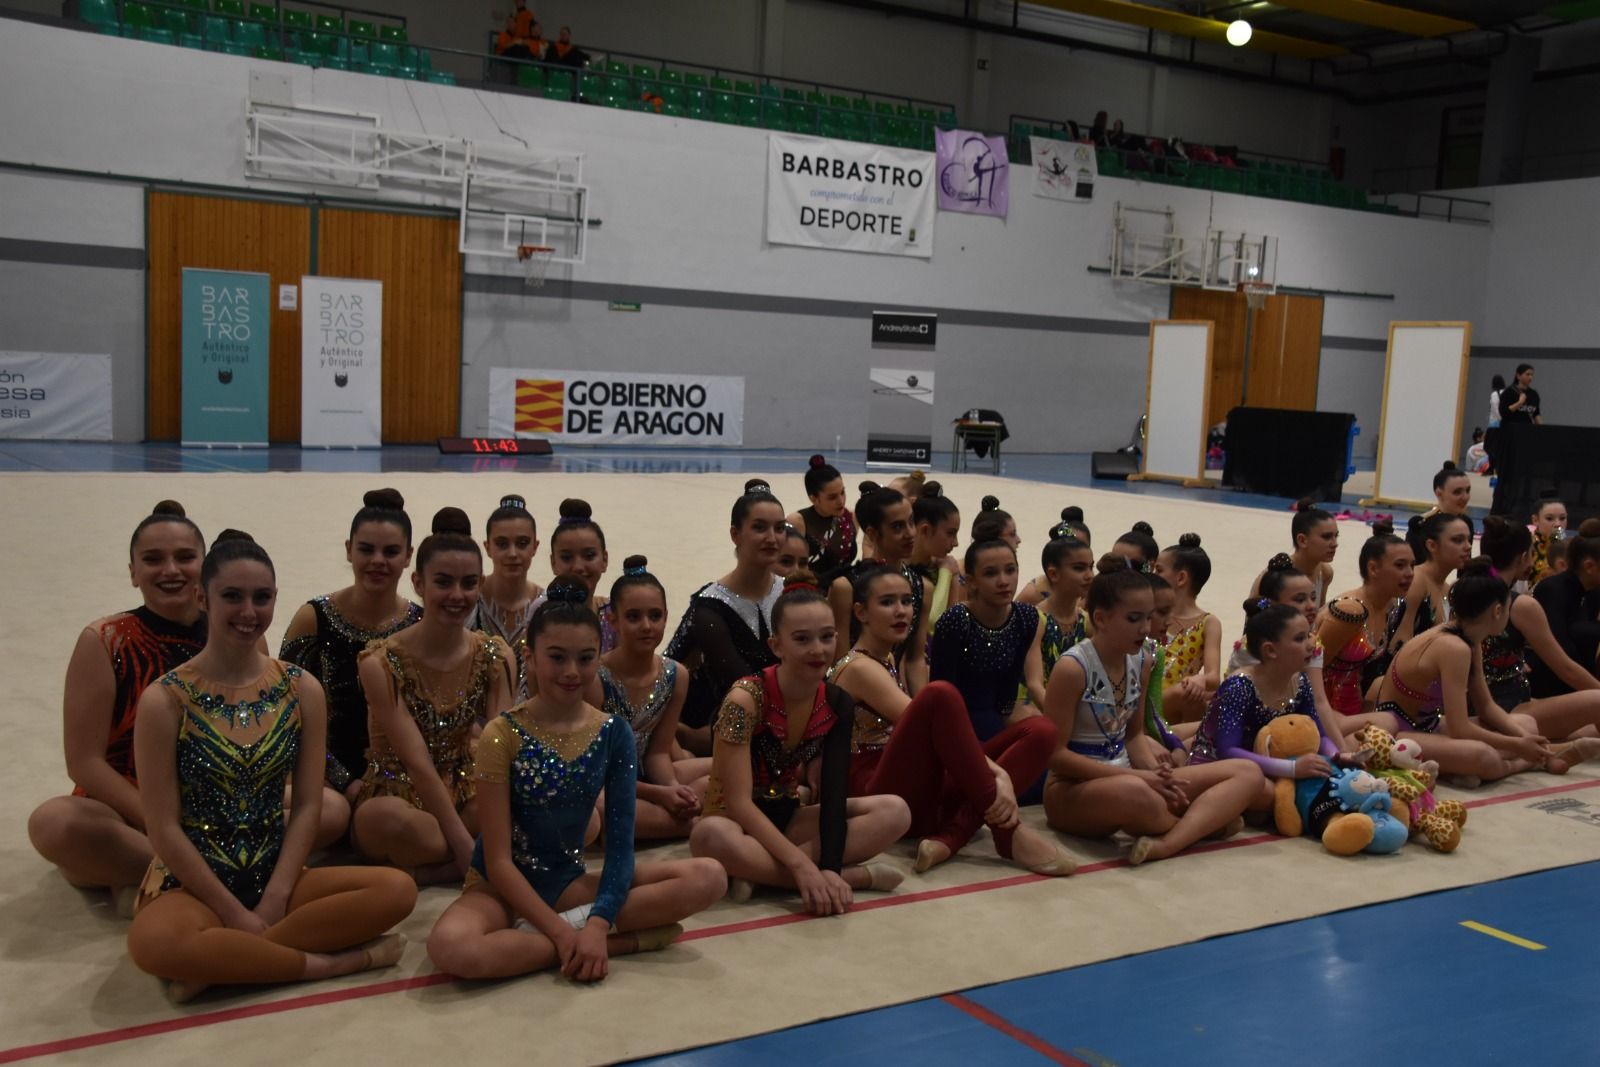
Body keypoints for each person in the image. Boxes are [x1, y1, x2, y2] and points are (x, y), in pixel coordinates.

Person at [126, 532, 416, 1001]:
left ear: (276, 599)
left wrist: (278, 894)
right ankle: (331, 964)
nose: (248, 612)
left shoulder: (301, 689)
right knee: (153, 943)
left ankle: (228, 962)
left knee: (397, 890)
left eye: (261, 598)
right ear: (202, 597)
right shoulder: (165, 700)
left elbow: (305, 806)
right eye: (232, 597)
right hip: (191, 884)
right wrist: (233, 911)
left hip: (274, 872)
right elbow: (162, 828)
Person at [425, 583, 725, 982]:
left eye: (585, 658)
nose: (571, 672)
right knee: (452, 948)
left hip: (567, 881)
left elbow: (620, 850)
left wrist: (598, 923)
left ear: (598, 659)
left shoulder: (612, 731)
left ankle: (554, 941)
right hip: (500, 889)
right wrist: (563, 934)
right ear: (530, 658)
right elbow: (497, 861)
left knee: (709, 876)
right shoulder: (502, 734)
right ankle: (621, 943)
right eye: (557, 658)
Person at [828, 567, 1076, 875]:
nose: (902, 611)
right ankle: (1007, 832)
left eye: (907, 601)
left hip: (916, 786)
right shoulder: (859, 668)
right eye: (888, 602)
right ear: (861, 612)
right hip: (878, 796)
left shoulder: (888, 659)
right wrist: (998, 773)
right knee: (940, 694)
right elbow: (918, 721)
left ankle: (952, 836)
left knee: (1041, 730)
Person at [689, 574, 911, 912]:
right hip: (734, 822)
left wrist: (830, 867)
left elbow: (835, 797)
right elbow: (737, 803)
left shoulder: (836, 701)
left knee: (896, 812)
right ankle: (855, 877)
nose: (817, 650)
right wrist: (804, 867)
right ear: (776, 645)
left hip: (788, 815)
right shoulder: (745, 699)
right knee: (708, 837)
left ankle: (758, 872)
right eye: (802, 639)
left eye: (826, 637)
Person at [29, 502, 209, 909]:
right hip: (127, 812)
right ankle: (199, 872)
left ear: (205, 565)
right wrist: (163, 825)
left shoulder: (231, 632)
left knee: (330, 809)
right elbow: (85, 762)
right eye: (152, 559)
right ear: (132, 572)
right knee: (54, 824)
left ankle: (154, 876)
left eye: (185, 557)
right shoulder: (105, 640)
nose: (171, 570)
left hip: (210, 806)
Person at [1042, 557, 1262, 864]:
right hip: (1071, 790)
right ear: (1101, 618)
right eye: (1134, 619)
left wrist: (1157, 775)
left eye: (1149, 618)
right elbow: (1055, 756)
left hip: (1129, 777)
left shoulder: (1143, 660)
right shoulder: (1072, 668)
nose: (1146, 628)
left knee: (1248, 773)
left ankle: (1168, 842)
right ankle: (1200, 825)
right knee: (1135, 792)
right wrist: (1145, 781)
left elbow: (1134, 737)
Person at [352, 509, 516, 884]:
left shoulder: (495, 654)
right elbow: (417, 763)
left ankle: (426, 871)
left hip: (464, 785)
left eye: (468, 583)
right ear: (418, 583)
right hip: (397, 790)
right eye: (443, 582)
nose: (457, 596)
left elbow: (498, 748)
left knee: (537, 808)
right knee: (392, 822)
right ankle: (470, 854)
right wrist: (463, 845)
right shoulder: (381, 661)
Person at [1342, 560, 1600, 781]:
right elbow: (1461, 728)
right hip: (1401, 732)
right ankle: (1533, 761)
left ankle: (1538, 753)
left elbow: (1487, 707)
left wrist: (1526, 738)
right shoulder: (1454, 647)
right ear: (1498, 611)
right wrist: (1518, 746)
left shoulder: (1469, 638)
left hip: (1430, 726)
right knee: (1482, 756)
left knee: (1527, 724)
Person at [280, 489, 420, 847]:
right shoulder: (313, 618)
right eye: (366, 549)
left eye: (390, 552)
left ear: (408, 556)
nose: (378, 560)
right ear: (348, 549)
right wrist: (342, 780)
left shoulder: (419, 624)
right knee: (334, 816)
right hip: (320, 771)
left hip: (398, 775)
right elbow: (286, 716)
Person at [667, 481, 786, 751]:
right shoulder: (710, 605)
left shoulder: (792, 593)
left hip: (794, 717)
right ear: (735, 534)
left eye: (779, 528)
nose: (772, 537)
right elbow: (739, 682)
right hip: (733, 730)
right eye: (759, 528)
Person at [596, 559, 709, 840]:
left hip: (648, 775)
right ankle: (690, 825)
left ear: (666, 616)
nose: (646, 626)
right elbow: (593, 769)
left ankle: (673, 821)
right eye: (633, 617)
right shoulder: (595, 677)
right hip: (601, 784)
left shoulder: (676, 674)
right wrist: (661, 795)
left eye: (655, 616)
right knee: (598, 810)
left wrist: (673, 789)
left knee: (730, 772)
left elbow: (657, 752)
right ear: (613, 620)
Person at [1193, 604, 1344, 793]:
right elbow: (1228, 750)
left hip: (1270, 763)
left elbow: (1319, 734)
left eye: (1308, 635)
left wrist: (1336, 757)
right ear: (1270, 650)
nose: (1311, 644)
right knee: (1269, 792)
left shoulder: (1300, 682)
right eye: (1300, 639)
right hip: (1220, 767)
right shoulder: (1239, 687)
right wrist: (1292, 769)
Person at [1478, 516, 1600, 713]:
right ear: (1523, 556)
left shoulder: (1464, 589)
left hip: (1484, 700)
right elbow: (1565, 667)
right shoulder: (1521, 604)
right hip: (1507, 704)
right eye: (1533, 554)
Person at [1230, 555, 1349, 750]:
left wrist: (1343, 753)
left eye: (1312, 597)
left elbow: (1320, 702)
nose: (1311, 605)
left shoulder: (1311, 643)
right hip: (1251, 732)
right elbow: (1243, 720)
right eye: (1300, 600)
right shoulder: (1255, 646)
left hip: (1290, 720)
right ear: (1273, 605)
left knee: (1360, 732)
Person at [827, 483, 929, 689]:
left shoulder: (922, 586)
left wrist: (922, 711)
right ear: (873, 534)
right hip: (853, 692)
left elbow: (914, 660)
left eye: (911, 522)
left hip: (896, 690)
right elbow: (839, 663)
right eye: (898, 527)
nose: (910, 533)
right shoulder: (846, 587)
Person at [1316, 523, 1414, 717]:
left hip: (1353, 705)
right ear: (1373, 568)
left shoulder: (1393, 606)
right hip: (1324, 709)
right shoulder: (1349, 611)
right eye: (1400, 565)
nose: (1410, 573)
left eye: (1412, 565)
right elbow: (1308, 672)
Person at [472, 494, 544, 699]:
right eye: (502, 544)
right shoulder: (469, 600)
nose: (512, 553)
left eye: (522, 543)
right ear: (487, 547)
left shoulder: (545, 605)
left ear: (535, 547)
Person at [529, 499, 614, 654]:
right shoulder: (541, 611)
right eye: (567, 558)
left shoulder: (613, 613)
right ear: (553, 562)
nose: (578, 567)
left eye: (589, 556)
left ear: (604, 560)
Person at [1528, 519, 1600, 698]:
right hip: (1547, 693)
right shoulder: (1552, 590)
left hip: (1582, 692)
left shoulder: (1592, 592)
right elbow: (1562, 663)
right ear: (1589, 566)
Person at [1154, 534, 1221, 723]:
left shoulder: (1209, 623)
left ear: (1181, 578)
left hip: (1176, 700)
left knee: (1194, 696)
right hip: (1143, 699)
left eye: (1159, 570)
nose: (1153, 576)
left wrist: (1200, 680)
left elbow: (1213, 677)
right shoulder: (1149, 611)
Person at [1392, 512, 1473, 647]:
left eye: (1468, 540)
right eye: (1458, 540)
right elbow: (1398, 644)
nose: (1468, 546)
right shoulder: (1417, 581)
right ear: (1432, 545)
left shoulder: (1447, 589)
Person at [1032, 535, 1094, 694]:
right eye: (1079, 568)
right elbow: (1034, 685)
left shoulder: (1085, 621)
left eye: (1090, 567)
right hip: (1038, 707)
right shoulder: (1036, 620)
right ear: (1053, 574)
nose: (1089, 575)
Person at [786, 454, 856, 589]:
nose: (841, 501)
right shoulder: (798, 521)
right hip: (811, 592)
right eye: (832, 497)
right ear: (813, 498)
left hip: (848, 589)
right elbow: (787, 569)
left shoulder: (851, 517)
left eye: (843, 492)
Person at [1250, 500, 1337, 607]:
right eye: (1327, 537)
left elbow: (1318, 617)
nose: (1335, 544)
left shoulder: (1325, 573)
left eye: (1336, 536)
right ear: (1302, 540)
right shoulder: (1273, 578)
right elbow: (1254, 620)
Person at [906, 481, 961, 628]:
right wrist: (945, 573)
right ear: (925, 530)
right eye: (950, 533)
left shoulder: (947, 566)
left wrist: (951, 575)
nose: (956, 543)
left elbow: (952, 625)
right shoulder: (897, 567)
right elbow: (929, 621)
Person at [1019, 507, 1091, 605]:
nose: (1078, 552)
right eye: (1071, 546)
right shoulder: (1032, 593)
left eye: (1082, 546)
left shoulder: (1091, 589)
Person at [1411, 463, 1476, 550]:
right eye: (1457, 492)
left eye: (1467, 491)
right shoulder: (1422, 525)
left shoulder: (1467, 522)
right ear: (1439, 493)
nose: (1465, 497)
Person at [1528, 492, 1567, 588]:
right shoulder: (1525, 545)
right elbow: (1495, 573)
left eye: (1562, 518)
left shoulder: (1572, 549)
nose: (1558, 524)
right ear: (1535, 520)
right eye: (1549, 518)